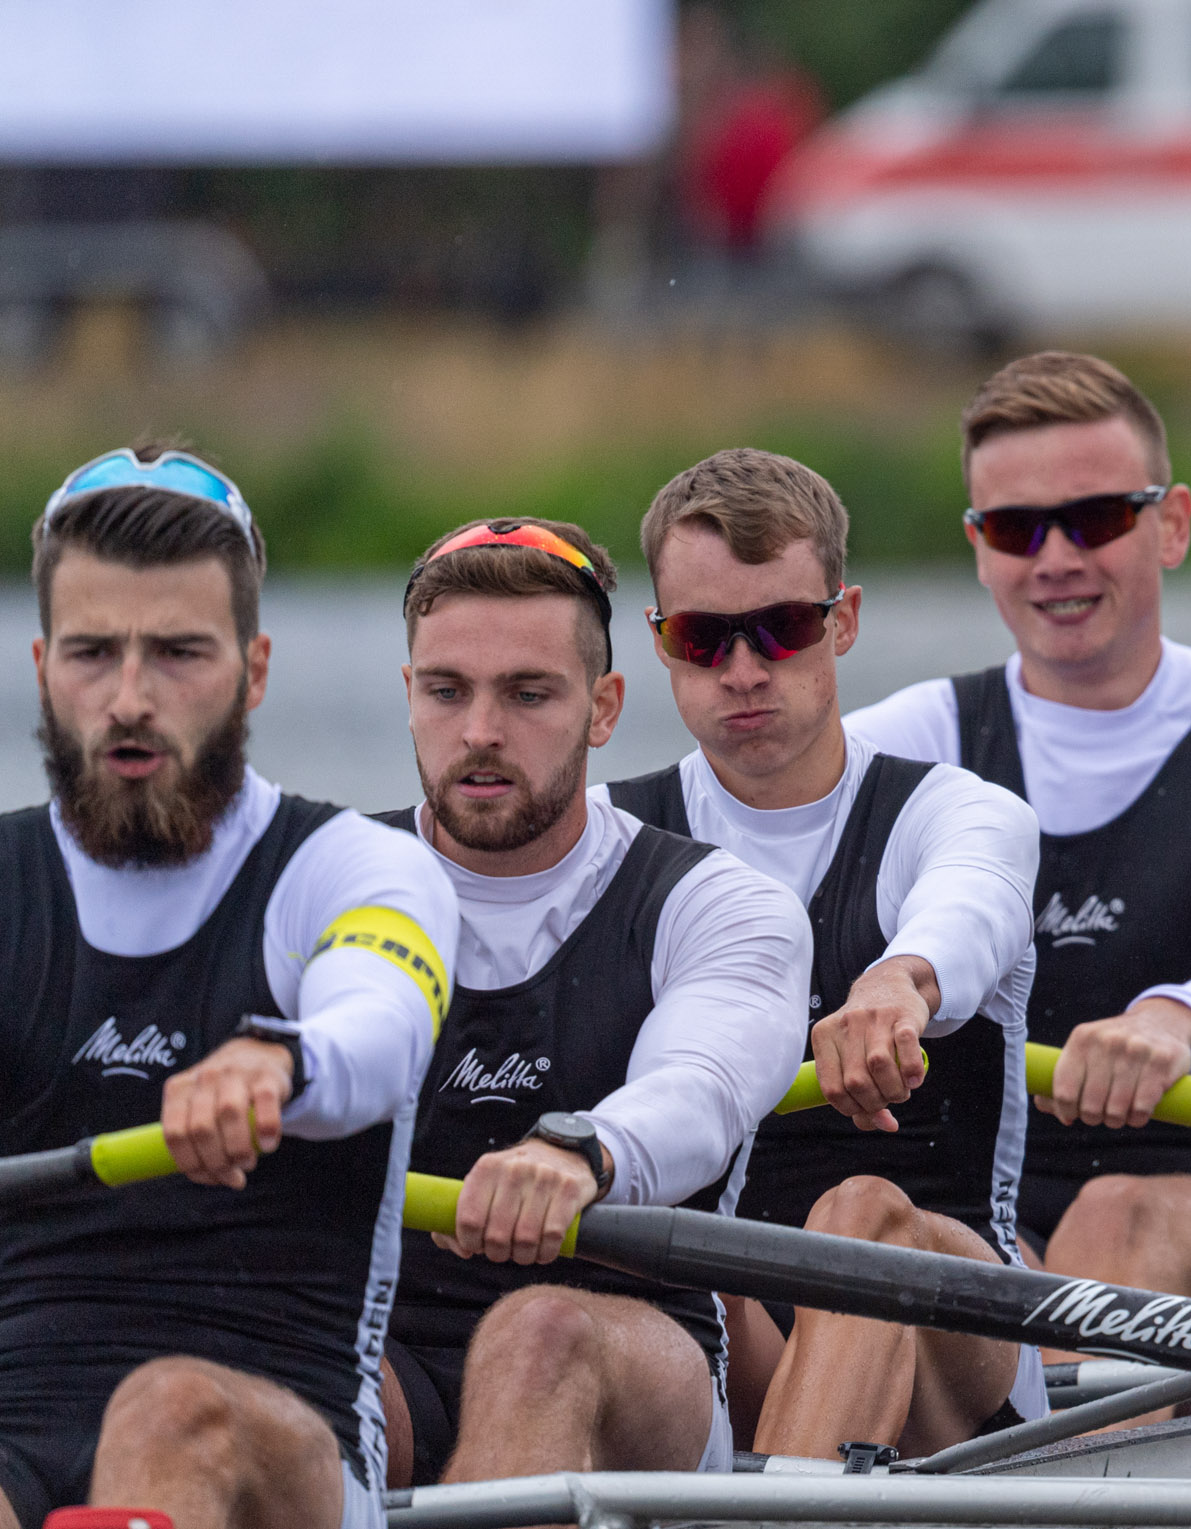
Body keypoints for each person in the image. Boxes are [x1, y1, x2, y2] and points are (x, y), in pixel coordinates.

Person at [847, 351, 1191, 1341]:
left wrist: (1174, 1019)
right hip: (1003, 1232)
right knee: (863, 1228)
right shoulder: (895, 742)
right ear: (978, 546)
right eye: (1016, 528)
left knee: (1117, 1214)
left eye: (1094, 518)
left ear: (1170, 523)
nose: (1055, 557)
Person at [0, 445, 457, 1529]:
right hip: (18, 1419)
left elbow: (381, 1021)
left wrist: (280, 1057)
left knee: (168, 1409)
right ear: (41, 666)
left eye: (176, 654)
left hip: (279, 1438)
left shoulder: (354, 868)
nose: (128, 698)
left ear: (253, 671)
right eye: (93, 652)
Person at [602, 449, 1047, 1456]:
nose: (746, 668)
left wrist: (900, 980)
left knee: (860, 1213)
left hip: (961, 1357)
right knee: (643, 1251)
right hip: (731, 1327)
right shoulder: (601, 840)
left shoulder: (954, 812)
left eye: (784, 627)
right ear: (659, 643)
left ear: (841, 621)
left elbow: (969, 905)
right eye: (704, 637)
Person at [376, 517, 812, 1487]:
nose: (481, 730)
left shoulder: (718, 903)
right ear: (409, 696)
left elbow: (700, 1082)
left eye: (529, 693)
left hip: (632, 1355)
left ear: (604, 706)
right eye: (447, 691)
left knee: (539, 1332)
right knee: (254, 1376)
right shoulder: (318, 885)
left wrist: (583, 1150)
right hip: (383, 1353)